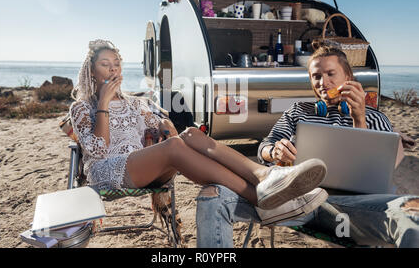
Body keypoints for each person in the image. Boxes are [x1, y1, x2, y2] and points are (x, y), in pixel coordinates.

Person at [69, 39, 328, 213]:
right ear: (92, 71)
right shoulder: (82, 108)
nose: (113, 70)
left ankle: (264, 176)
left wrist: (165, 126)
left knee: (191, 133)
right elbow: (97, 152)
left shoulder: (137, 104)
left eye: (117, 64)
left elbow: (163, 129)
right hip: (108, 172)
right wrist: (103, 102)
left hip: (145, 168)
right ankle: (259, 197)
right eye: (105, 65)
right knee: (173, 147)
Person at [196, 46, 419, 248]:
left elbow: (374, 175)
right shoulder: (298, 111)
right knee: (213, 196)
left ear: (348, 77)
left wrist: (359, 118)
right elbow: (265, 146)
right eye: (316, 76)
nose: (323, 82)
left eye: (331, 74)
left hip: (349, 208)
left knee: (412, 216)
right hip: (294, 201)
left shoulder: (376, 118)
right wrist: (274, 151)